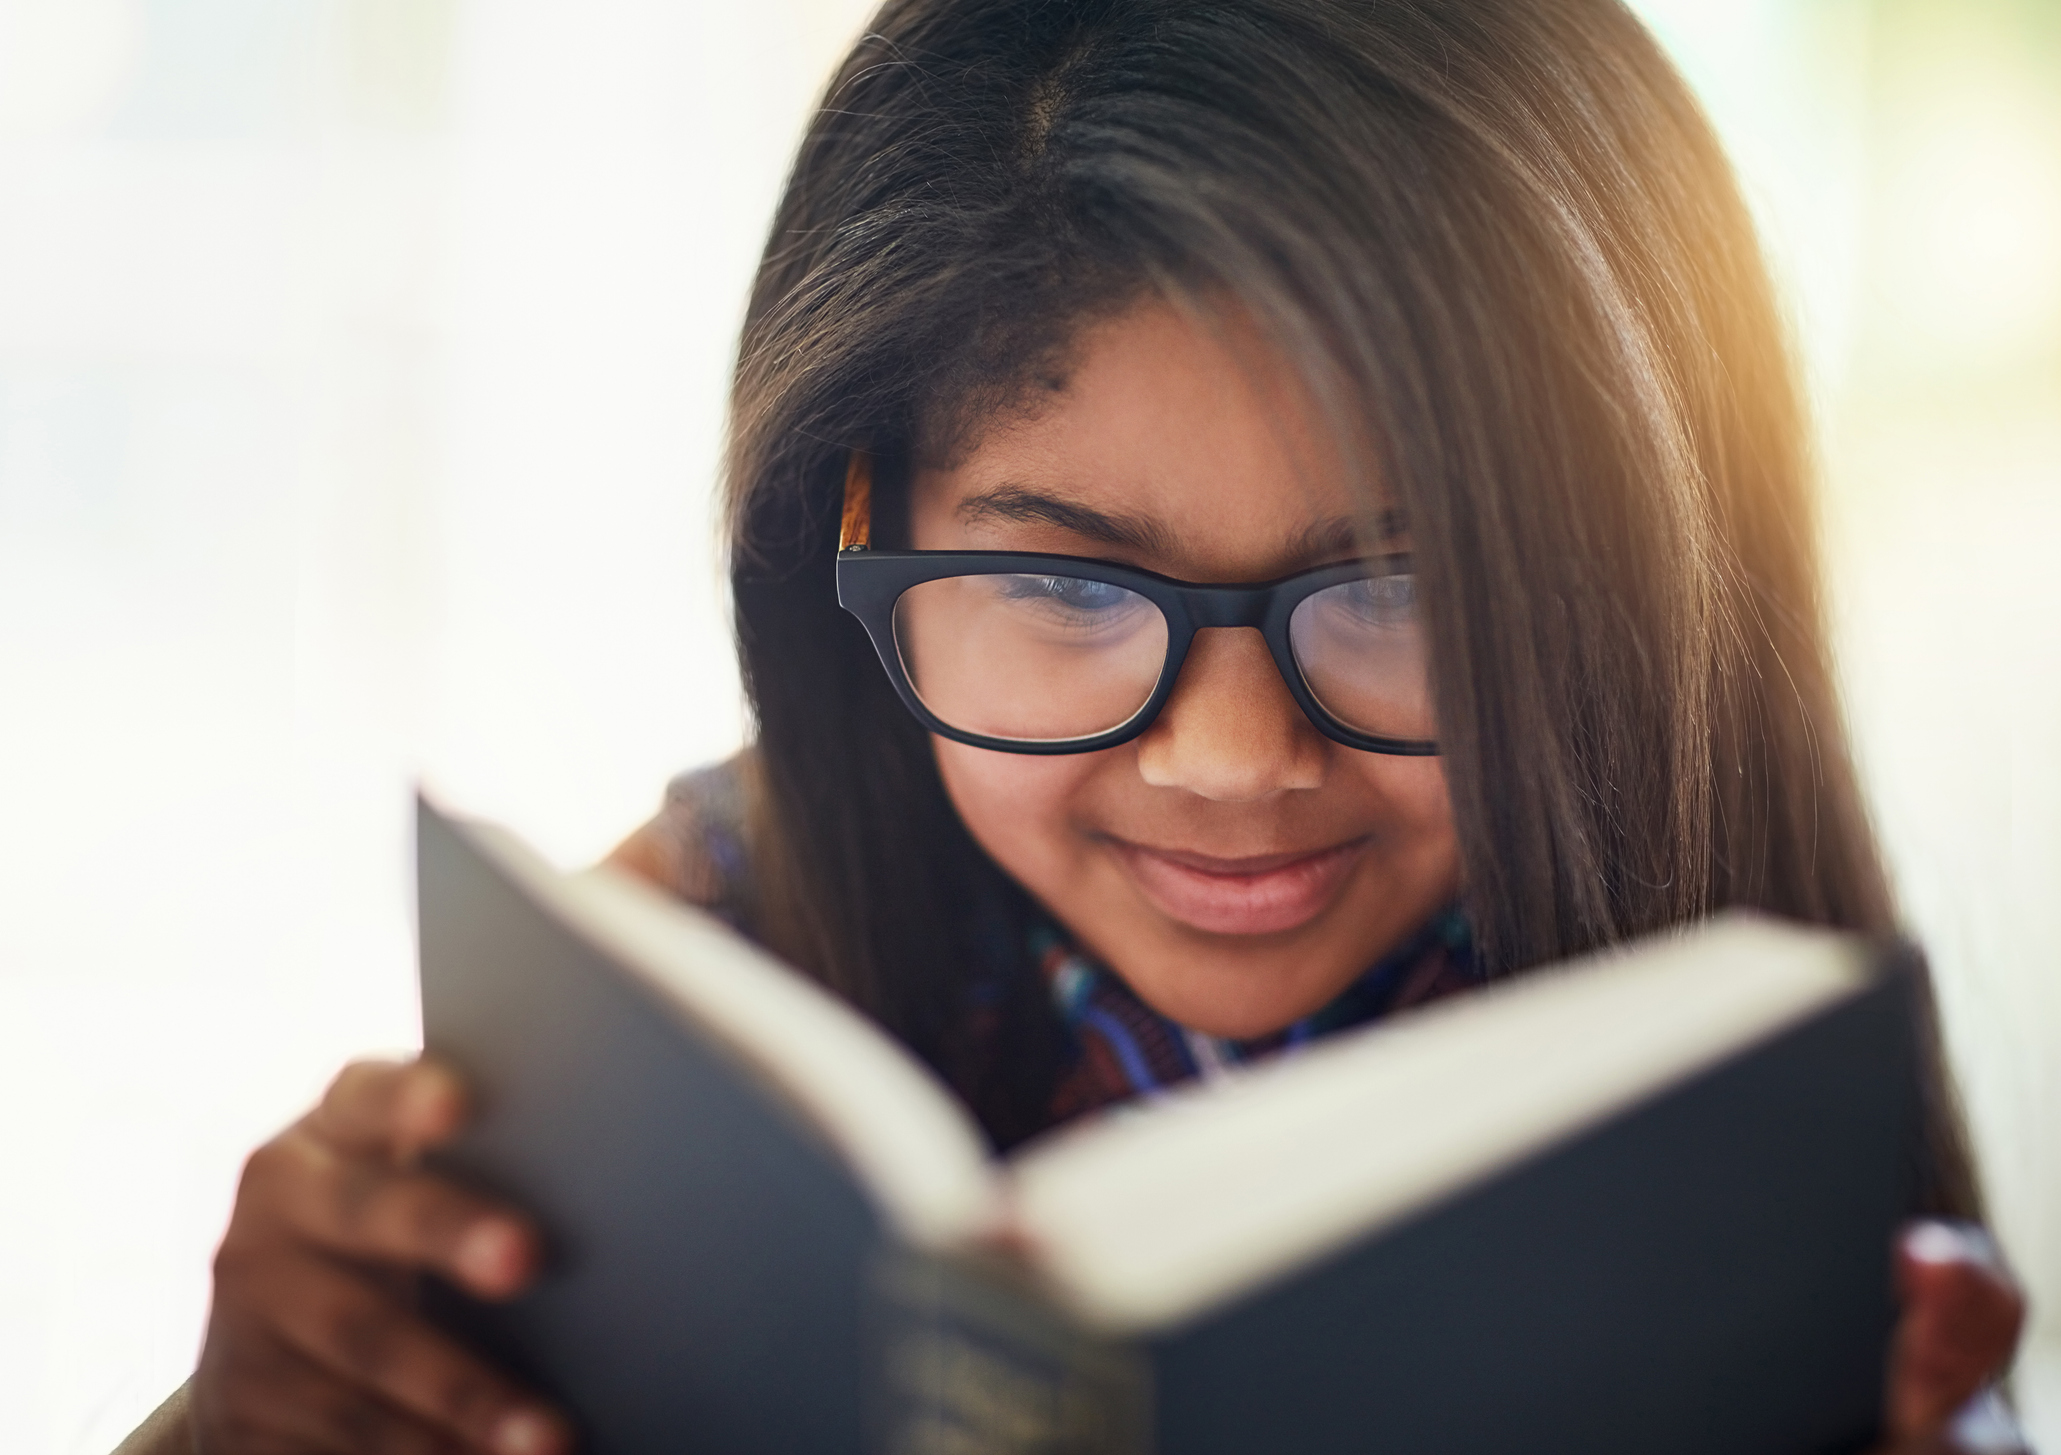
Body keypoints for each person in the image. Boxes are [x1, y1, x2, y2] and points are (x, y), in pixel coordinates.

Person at [117, 1, 2027, 1451]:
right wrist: (243, 1416)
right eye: (1067, 588)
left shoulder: (1737, 1106)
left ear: (1652, 575)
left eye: (1402, 588)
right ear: (854, 534)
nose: (1228, 763)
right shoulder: (701, 963)